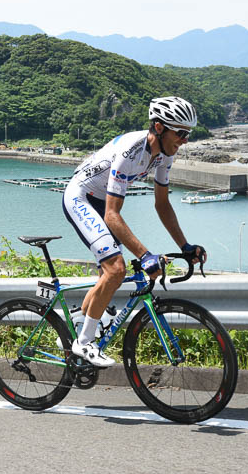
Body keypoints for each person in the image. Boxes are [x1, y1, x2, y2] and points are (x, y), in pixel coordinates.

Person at [62, 96, 207, 367]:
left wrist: (186, 246)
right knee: (116, 269)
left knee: (109, 274)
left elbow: (162, 205)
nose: (185, 140)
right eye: (181, 133)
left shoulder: (164, 156)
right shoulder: (131, 152)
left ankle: (79, 333)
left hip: (101, 201)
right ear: (160, 127)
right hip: (81, 197)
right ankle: (83, 343)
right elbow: (112, 215)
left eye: (188, 134)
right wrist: (146, 254)